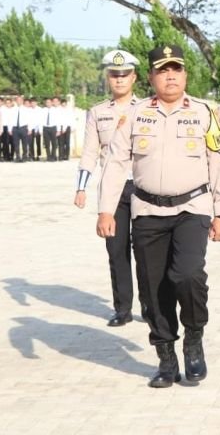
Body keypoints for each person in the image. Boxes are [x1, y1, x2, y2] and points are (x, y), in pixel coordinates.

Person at [97, 44, 220, 388]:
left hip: (193, 208)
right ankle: (166, 358)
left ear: (185, 74)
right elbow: (115, 162)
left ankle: (194, 337)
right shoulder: (136, 114)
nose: (170, 76)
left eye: (176, 69)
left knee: (186, 275)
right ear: (152, 76)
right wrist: (106, 208)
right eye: (163, 70)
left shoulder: (204, 112)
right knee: (153, 288)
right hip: (147, 211)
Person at [77, 50, 144, 327]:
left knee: (146, 251)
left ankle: (151, 307)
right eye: (114, 75)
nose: (119, 79)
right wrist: (81, 188)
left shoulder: (146, 109)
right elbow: (90, 153)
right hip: (112, 190)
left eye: (124, 74)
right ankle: (123, 308)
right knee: (116, 251)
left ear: (134, 77)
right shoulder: (97, 113)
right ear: (108, 78)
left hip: (142, 187)